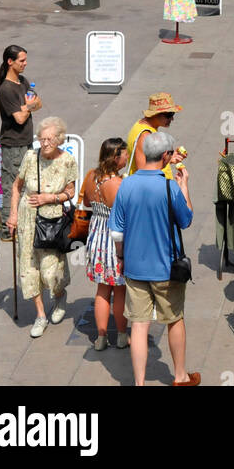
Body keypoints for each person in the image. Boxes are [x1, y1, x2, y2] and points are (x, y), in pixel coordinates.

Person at [109, 130, 199, 387]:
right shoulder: (170, 187)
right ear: (165, 156)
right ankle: (180, 376)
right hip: (165, 269)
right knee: (174, 320)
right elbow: (187, 219)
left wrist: (121, 256)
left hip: (135, 267)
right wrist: (184, 186)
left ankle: (139, 383)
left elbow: (116, 230)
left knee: (138, 325)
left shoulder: (126, 184)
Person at [6, 115, 76, 338]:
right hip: (27, 219)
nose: (45, 143)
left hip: (51, 222)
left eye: (49, 139)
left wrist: (50, 198)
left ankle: (59, 295)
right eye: (42, 139)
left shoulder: (67, 161)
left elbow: (71, 192)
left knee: (50, 272)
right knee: (29, 271)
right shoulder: (30, 156)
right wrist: (13, 214)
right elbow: (17, 187)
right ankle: (40, 315)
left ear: (59, 139)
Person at [79, 137, 129, 351]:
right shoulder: (119, 184)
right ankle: (120, 335)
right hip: (114, 240)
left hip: (96, 237)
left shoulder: (91, 177)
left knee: (101, 289)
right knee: (118, 291)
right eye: (125, 154)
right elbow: (127, 214)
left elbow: (87, 203)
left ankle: (100, 338)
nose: (127, 157)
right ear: (116, 157)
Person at [0, 45, 42, 236]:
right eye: (21, 60)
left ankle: (22, 223)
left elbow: (38, 102)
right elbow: (20, 118)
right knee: (11, 186)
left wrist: (28, 105)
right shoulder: (6, 89)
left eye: (25, 59)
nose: (25, 63)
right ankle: (8, 228)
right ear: (10, 62)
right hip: (13, 146)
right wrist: (29, 106)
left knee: (26, 184)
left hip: (26, 142)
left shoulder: (22, 81)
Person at [126, 92, 184, 180]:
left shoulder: (143, 126)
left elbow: (151, 163)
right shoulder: (145, 136)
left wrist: (168, 159)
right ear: (156, 114)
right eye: (169, 115)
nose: (172, 119)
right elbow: (144, 173)